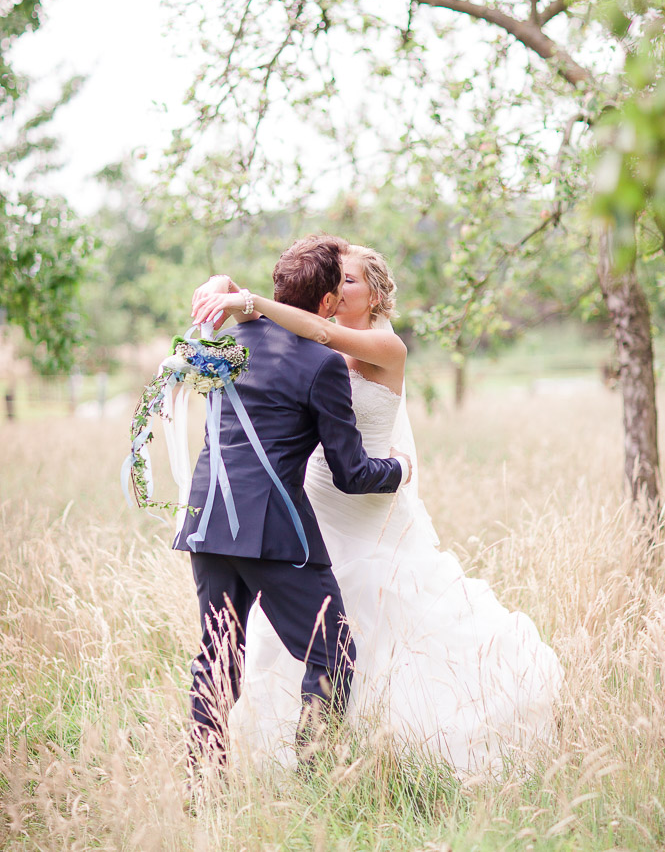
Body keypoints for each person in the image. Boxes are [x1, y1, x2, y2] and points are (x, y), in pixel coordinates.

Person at [191, 242, 563, 776]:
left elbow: (313, 331)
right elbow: (282, 323)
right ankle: (300, 761)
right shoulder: (303, 332)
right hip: (309, 499)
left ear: (375, 292)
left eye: (350, 280)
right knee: (309, 640)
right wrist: (226, 285)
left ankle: (367, 751)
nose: (339, 289)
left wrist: (250, 302)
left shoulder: (381, 347)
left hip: (364, 502)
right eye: (334, 281)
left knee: (365, 629)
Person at [176, 235, 412, 770]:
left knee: (218, 656)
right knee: (334, 653)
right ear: (328, 302)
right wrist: (398, 467)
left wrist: (230, 290)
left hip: (206, 517)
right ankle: (315, 772)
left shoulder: (231, 340)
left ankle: (202, 782)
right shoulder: (322, 361)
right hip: (272, 529)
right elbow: (352, 474)